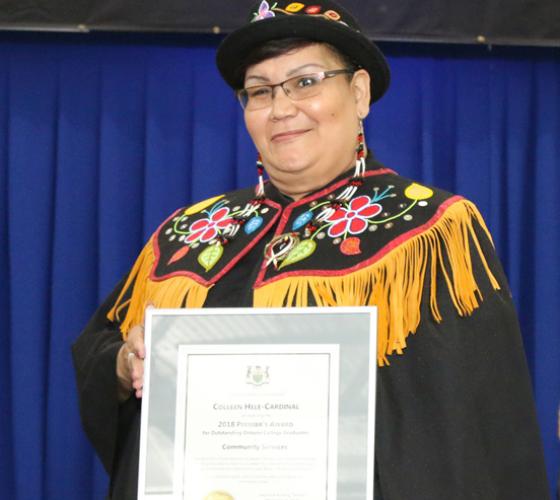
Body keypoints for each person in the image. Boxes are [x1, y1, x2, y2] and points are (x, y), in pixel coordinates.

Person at [72, 1, 550, 498]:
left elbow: (473, 430)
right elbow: (100, 349)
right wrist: (126, 364)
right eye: (259, 91)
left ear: (359, 92)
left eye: (306, 82)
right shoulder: (189, 233)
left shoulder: (430, 232)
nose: (281, 109)